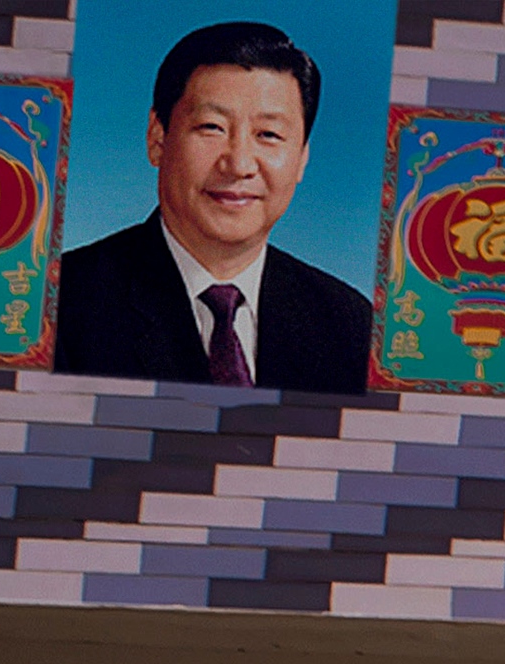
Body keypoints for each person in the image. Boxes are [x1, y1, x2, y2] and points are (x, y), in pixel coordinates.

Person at [50, 21, 374, 392]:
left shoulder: (349, 327)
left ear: (302, 159)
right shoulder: (62, 307)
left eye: (268, 135)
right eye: (211, 127)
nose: (238, 164)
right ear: (158, 138)